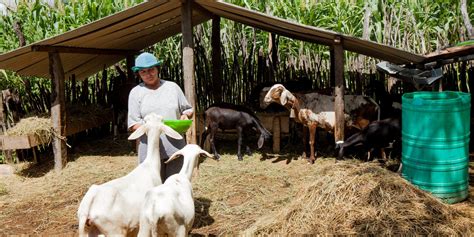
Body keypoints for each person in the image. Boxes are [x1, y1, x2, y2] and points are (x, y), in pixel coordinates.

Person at [127, 52, 193, 181]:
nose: (148, 74)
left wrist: (185, 116)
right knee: (153, 186)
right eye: (143, 72)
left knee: (175, 183)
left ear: (157, 69)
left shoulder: (172, 87)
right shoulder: (136, 93)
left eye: (151, 69)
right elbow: (133, 123)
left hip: (175, 146)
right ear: (138, 74)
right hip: (150, 149)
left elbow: (187, 109)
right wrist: (154, 128)